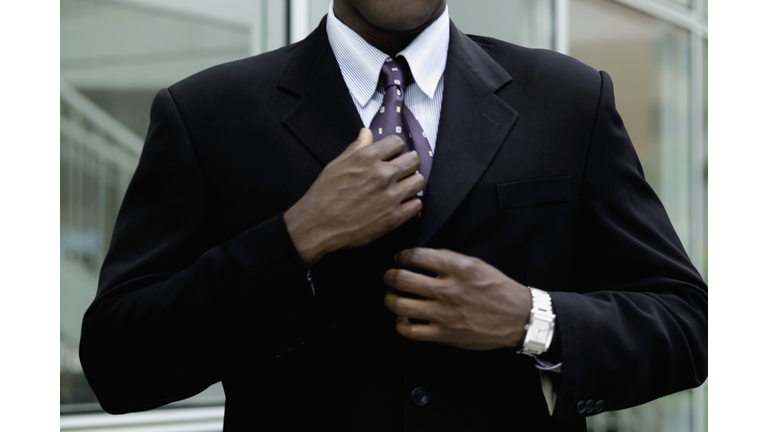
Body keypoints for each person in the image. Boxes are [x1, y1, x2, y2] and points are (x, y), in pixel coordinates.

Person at [79, 0, 708, 430]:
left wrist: (531, 319)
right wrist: (295, 238)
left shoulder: (569, 99)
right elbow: (118, 363)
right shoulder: (206, 113)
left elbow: (687, 326)